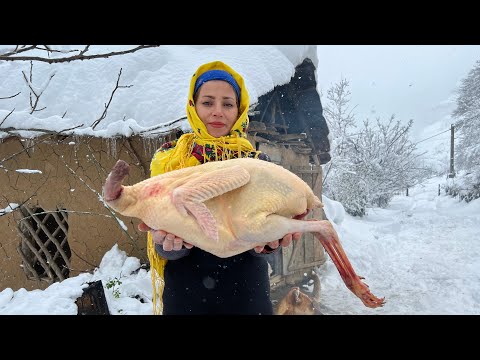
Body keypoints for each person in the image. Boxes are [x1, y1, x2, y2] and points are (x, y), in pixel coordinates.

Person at [138, 60, 302, 315]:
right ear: (193, 106)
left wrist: (269, 243)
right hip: (186, 289)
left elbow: (268, 237)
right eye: (207, 102)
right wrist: (169, 245)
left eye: (227, 104)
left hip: (246, 287)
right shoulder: (171, 160)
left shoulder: (257, 165)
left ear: (239, 109)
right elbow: (159, 233)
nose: (218, 111)